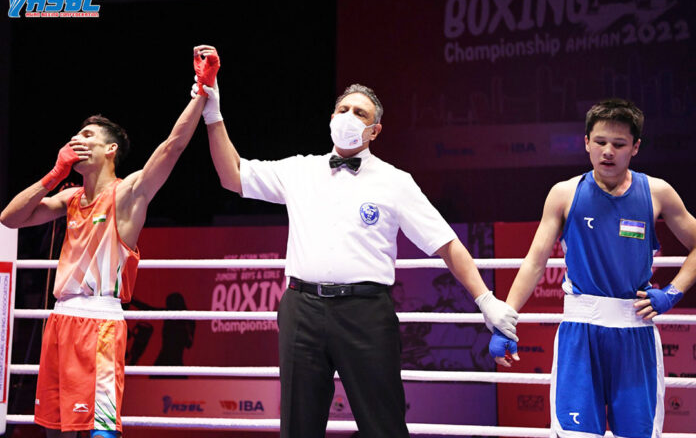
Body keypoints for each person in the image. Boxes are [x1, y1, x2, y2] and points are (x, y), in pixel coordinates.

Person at [197, 45, 519, 438]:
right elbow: (232, 175)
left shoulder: (395, 181)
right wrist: (213, 110)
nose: (349, 117)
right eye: (343, 110)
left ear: (375, 130)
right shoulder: (299, 170)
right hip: (301, 309)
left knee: (383, 426)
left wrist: (485, 300)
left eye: (360, 113)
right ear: (331, 117)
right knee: (297, 427)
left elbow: (445, 243)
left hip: (365, 314)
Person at [0, 45, 219, 438]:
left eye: (87, 135)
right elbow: (9, 218)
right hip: (60, 322)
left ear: (110, 149)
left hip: (100, 325)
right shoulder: (68, 197)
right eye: (73, 136)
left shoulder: (128, 193)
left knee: (99, 432)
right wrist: (54, 173)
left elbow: (172, 147)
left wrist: (201, 92)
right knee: (56, 431)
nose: (76, 140)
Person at [489, 98, 696, 438]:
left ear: (635, 147)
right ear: (586, 142)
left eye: (618, 144)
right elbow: (535, 261)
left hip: (635, 332)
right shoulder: (564, 193)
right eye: (600, 142)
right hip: (580, 332)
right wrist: (505, 323)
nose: (608, 152)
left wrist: (673, 293)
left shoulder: (657, 192)